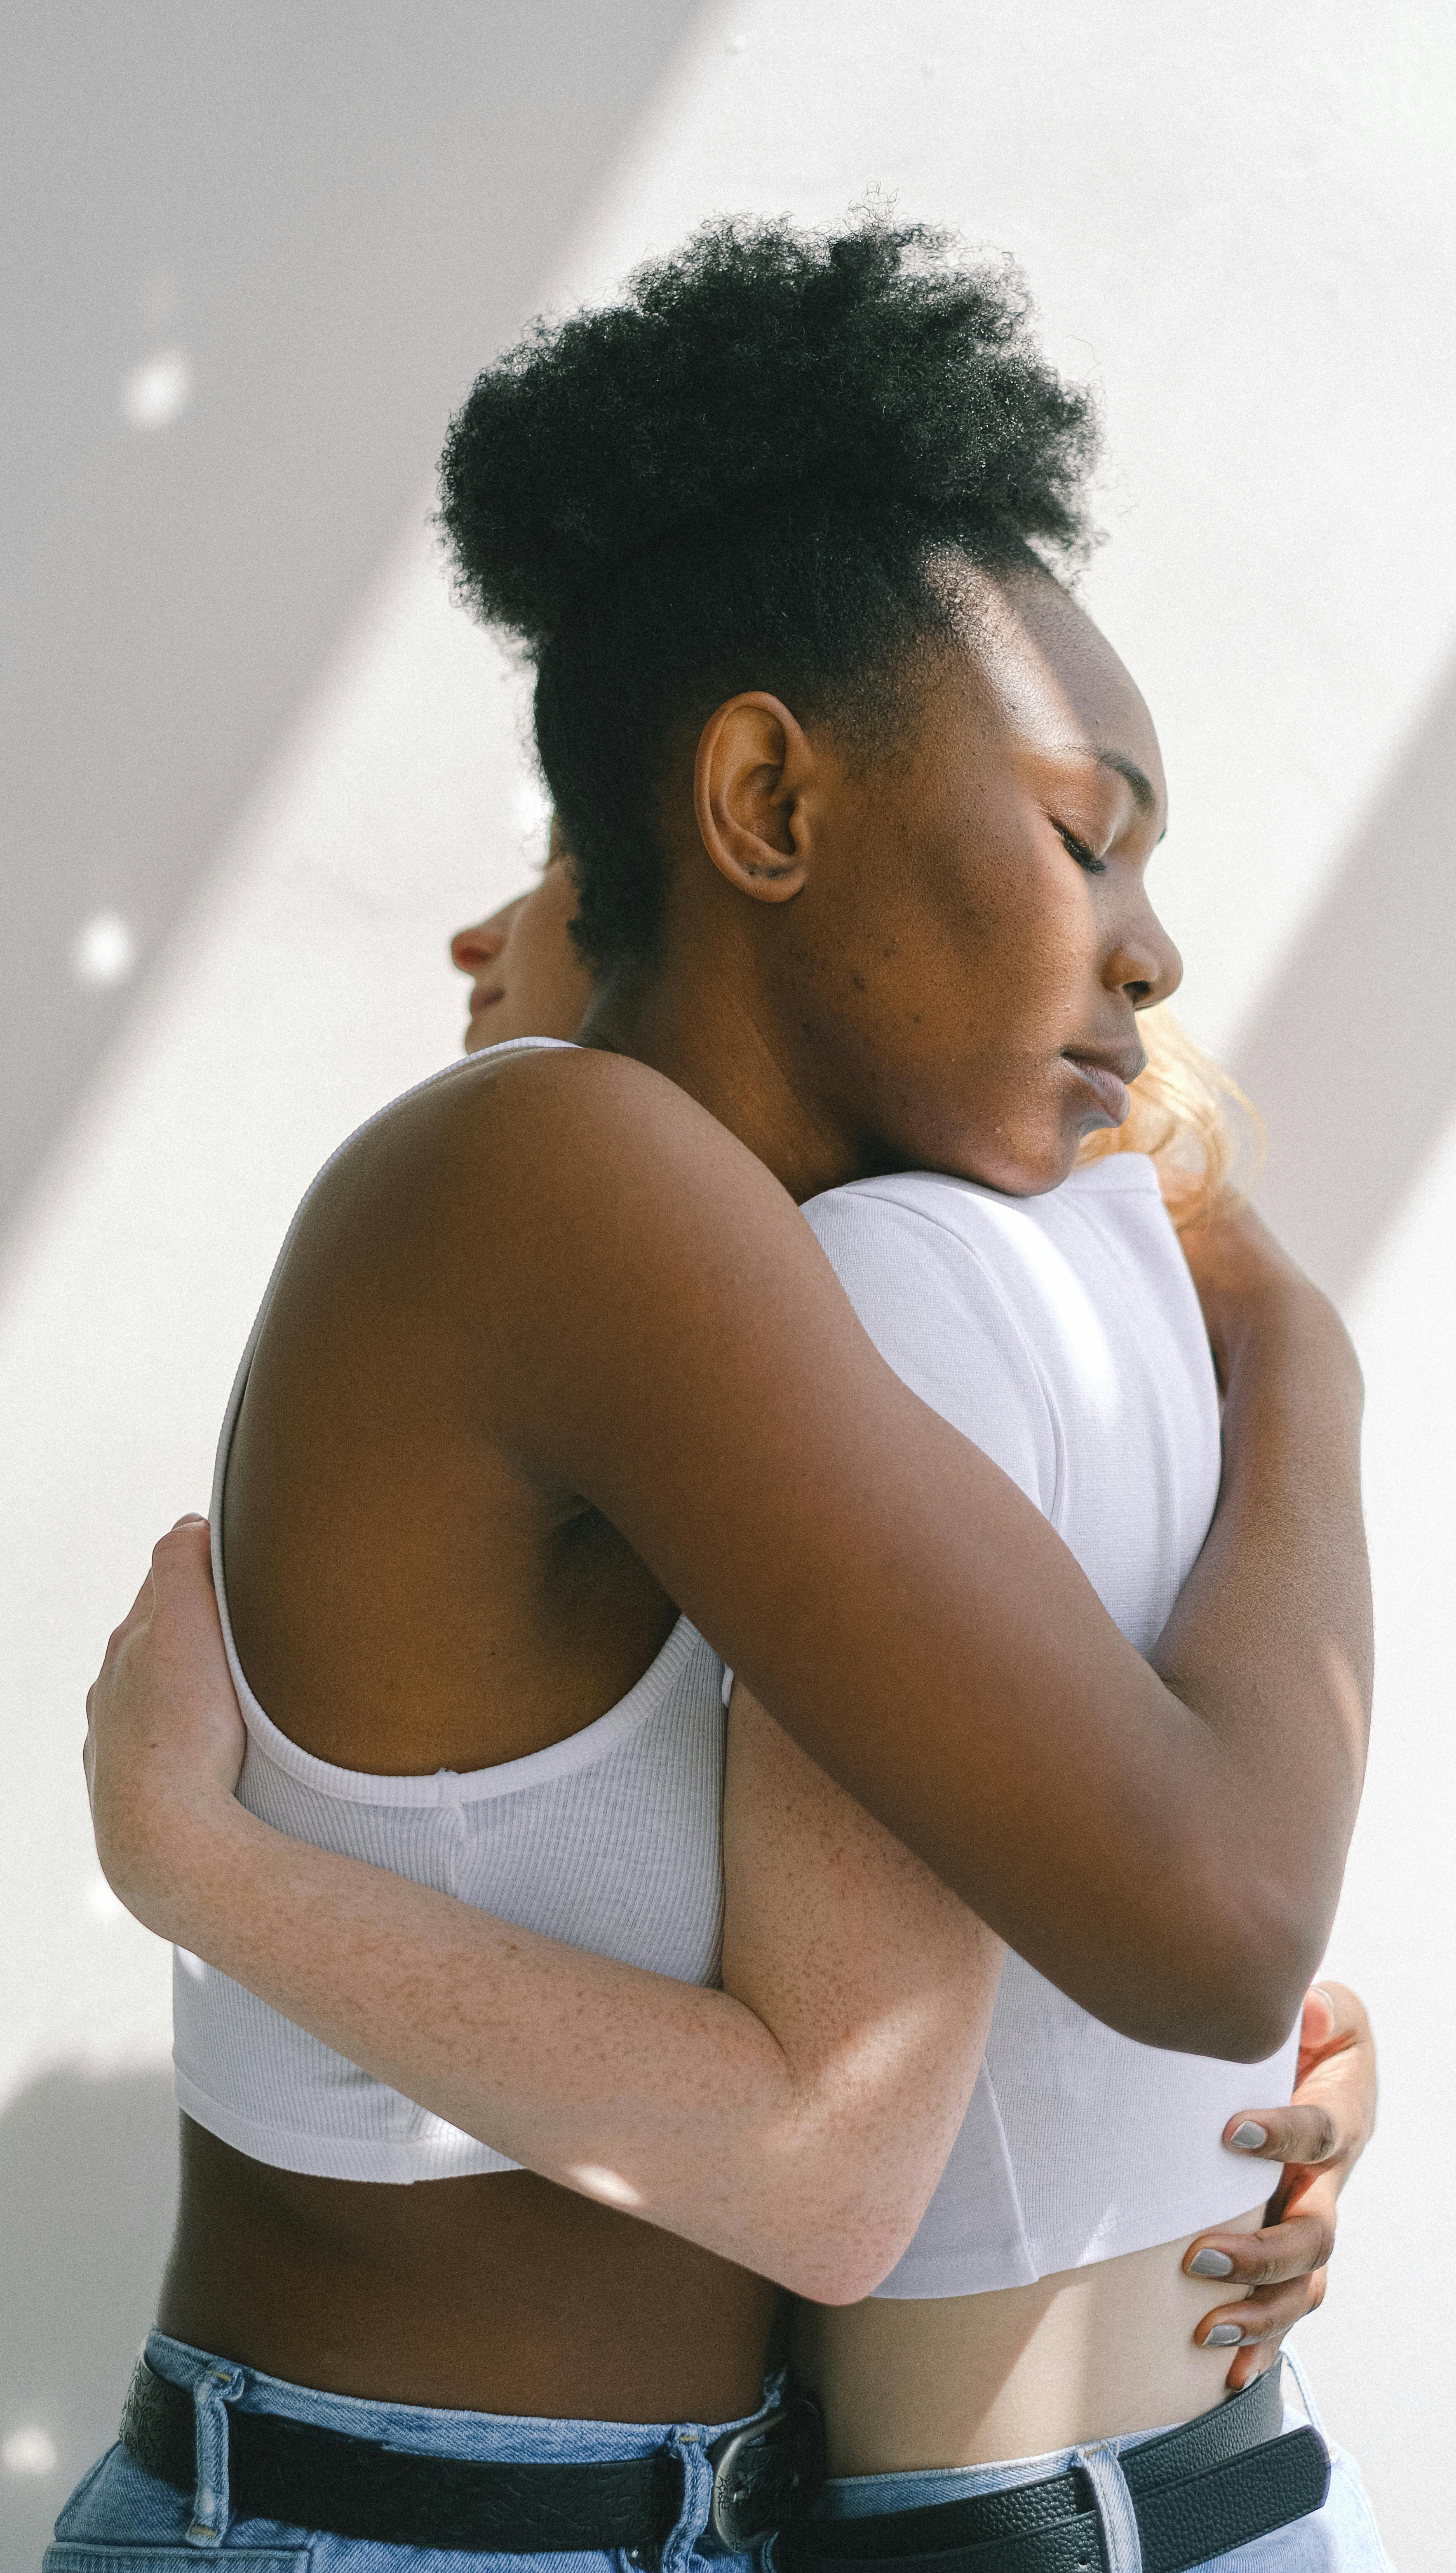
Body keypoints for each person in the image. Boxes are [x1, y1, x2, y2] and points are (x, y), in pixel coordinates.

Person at [69, 214, 1377, 2570]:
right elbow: (1194, 1926)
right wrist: (1303, 1359)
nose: (1153, 945)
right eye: (1088, 836)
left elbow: (1089, 1959)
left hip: (692, 2513)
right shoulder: (549, 1169)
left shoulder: (824, 1294)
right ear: (767, 806)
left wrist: (1224, 2127)